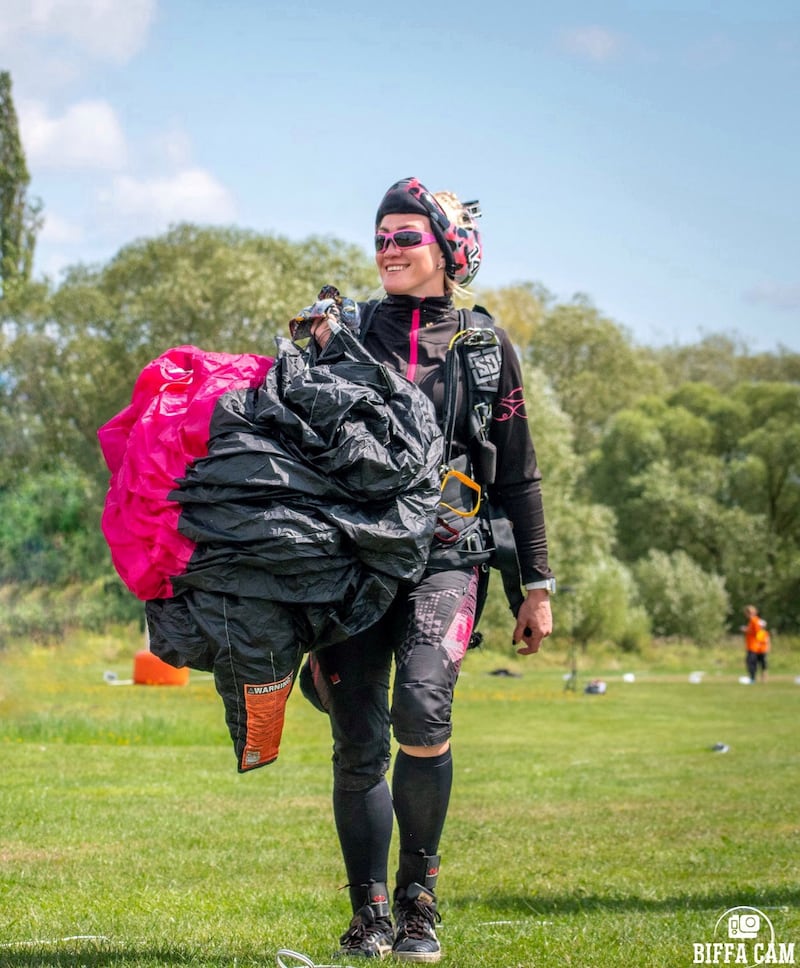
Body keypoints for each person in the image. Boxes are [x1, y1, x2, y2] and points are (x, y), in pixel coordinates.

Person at [306, 176, 554, 962]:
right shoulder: (337, 335)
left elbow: (518, 475)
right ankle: (369, 912)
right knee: (357, 743)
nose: (388, 250)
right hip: (349, 561)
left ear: (448, 248)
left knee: (420, 708)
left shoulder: (486, 347)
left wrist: (535, 587)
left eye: (406, 236)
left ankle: (418, 900)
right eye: (380, 236)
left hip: (449, 554)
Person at [742, 604, 770, 683]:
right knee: (754, 663)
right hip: (753, 646)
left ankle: (754, 679)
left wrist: (746, 630)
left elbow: (758, 632)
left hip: (755, 646)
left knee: (752, 663)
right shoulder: (752, 621)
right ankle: (754, 678)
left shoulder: (754, 620)